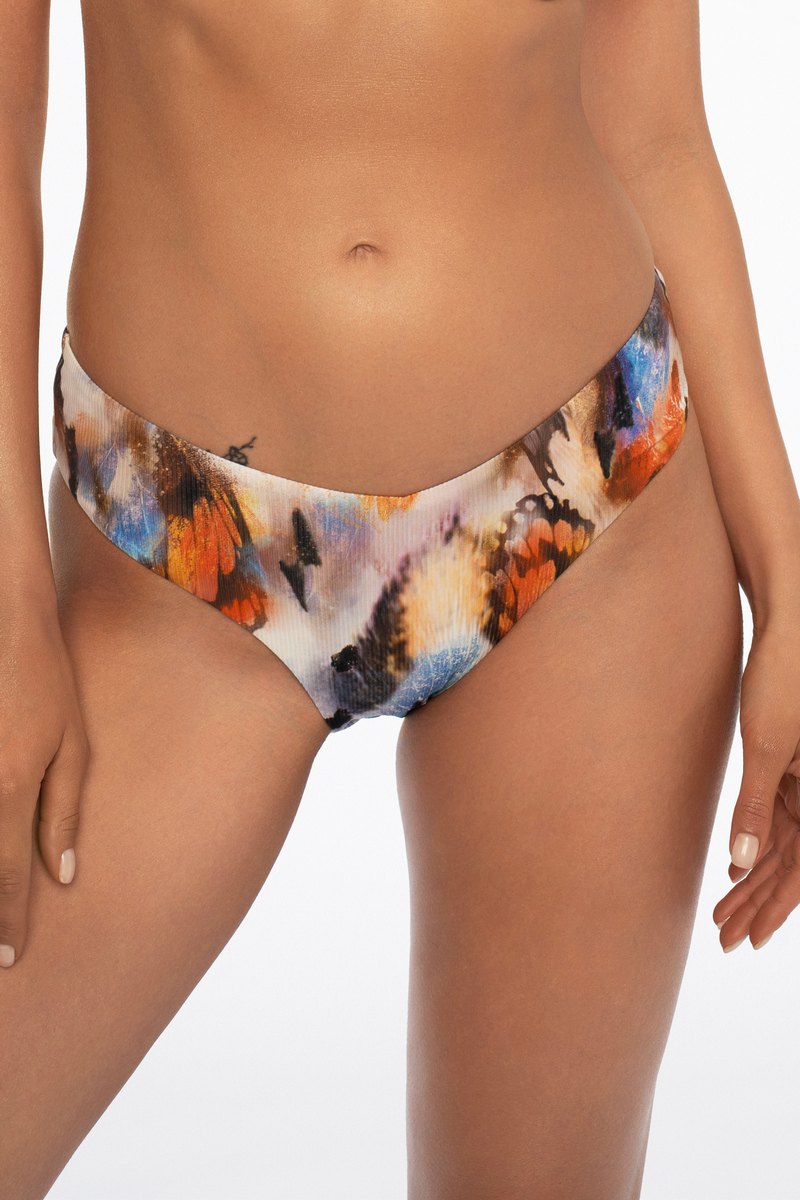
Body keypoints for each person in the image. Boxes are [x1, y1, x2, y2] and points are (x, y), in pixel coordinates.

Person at [1, 1, 798, 1196]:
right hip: (180, 541)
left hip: (584, 501)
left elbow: (655, 130)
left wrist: (787, 587)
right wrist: (9, 609)